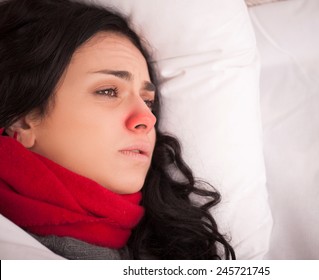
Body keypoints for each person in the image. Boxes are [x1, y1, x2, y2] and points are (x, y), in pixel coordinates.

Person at [0, 0, 235, 260]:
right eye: (109, 91)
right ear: (22, 121)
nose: (147, 118)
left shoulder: (176, 246)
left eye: (148, 102)